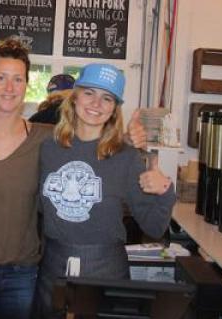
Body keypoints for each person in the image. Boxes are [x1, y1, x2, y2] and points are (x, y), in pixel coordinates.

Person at [0, 39, 148, 319]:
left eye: (18, 79)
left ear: (26, 85)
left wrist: (126, 140)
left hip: (25, 274)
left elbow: (90, 142)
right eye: (1, 78)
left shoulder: (47, 139)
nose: (9, 87)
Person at [35, 63, 176, 318]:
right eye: (90, 93)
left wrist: (165, 190)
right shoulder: (48, 148)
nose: (96, 104)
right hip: (52, 268)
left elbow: (154, 227)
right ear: (75, 96)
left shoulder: (126, 157)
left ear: (114, 109)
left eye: (107, 98)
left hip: (106, 272)